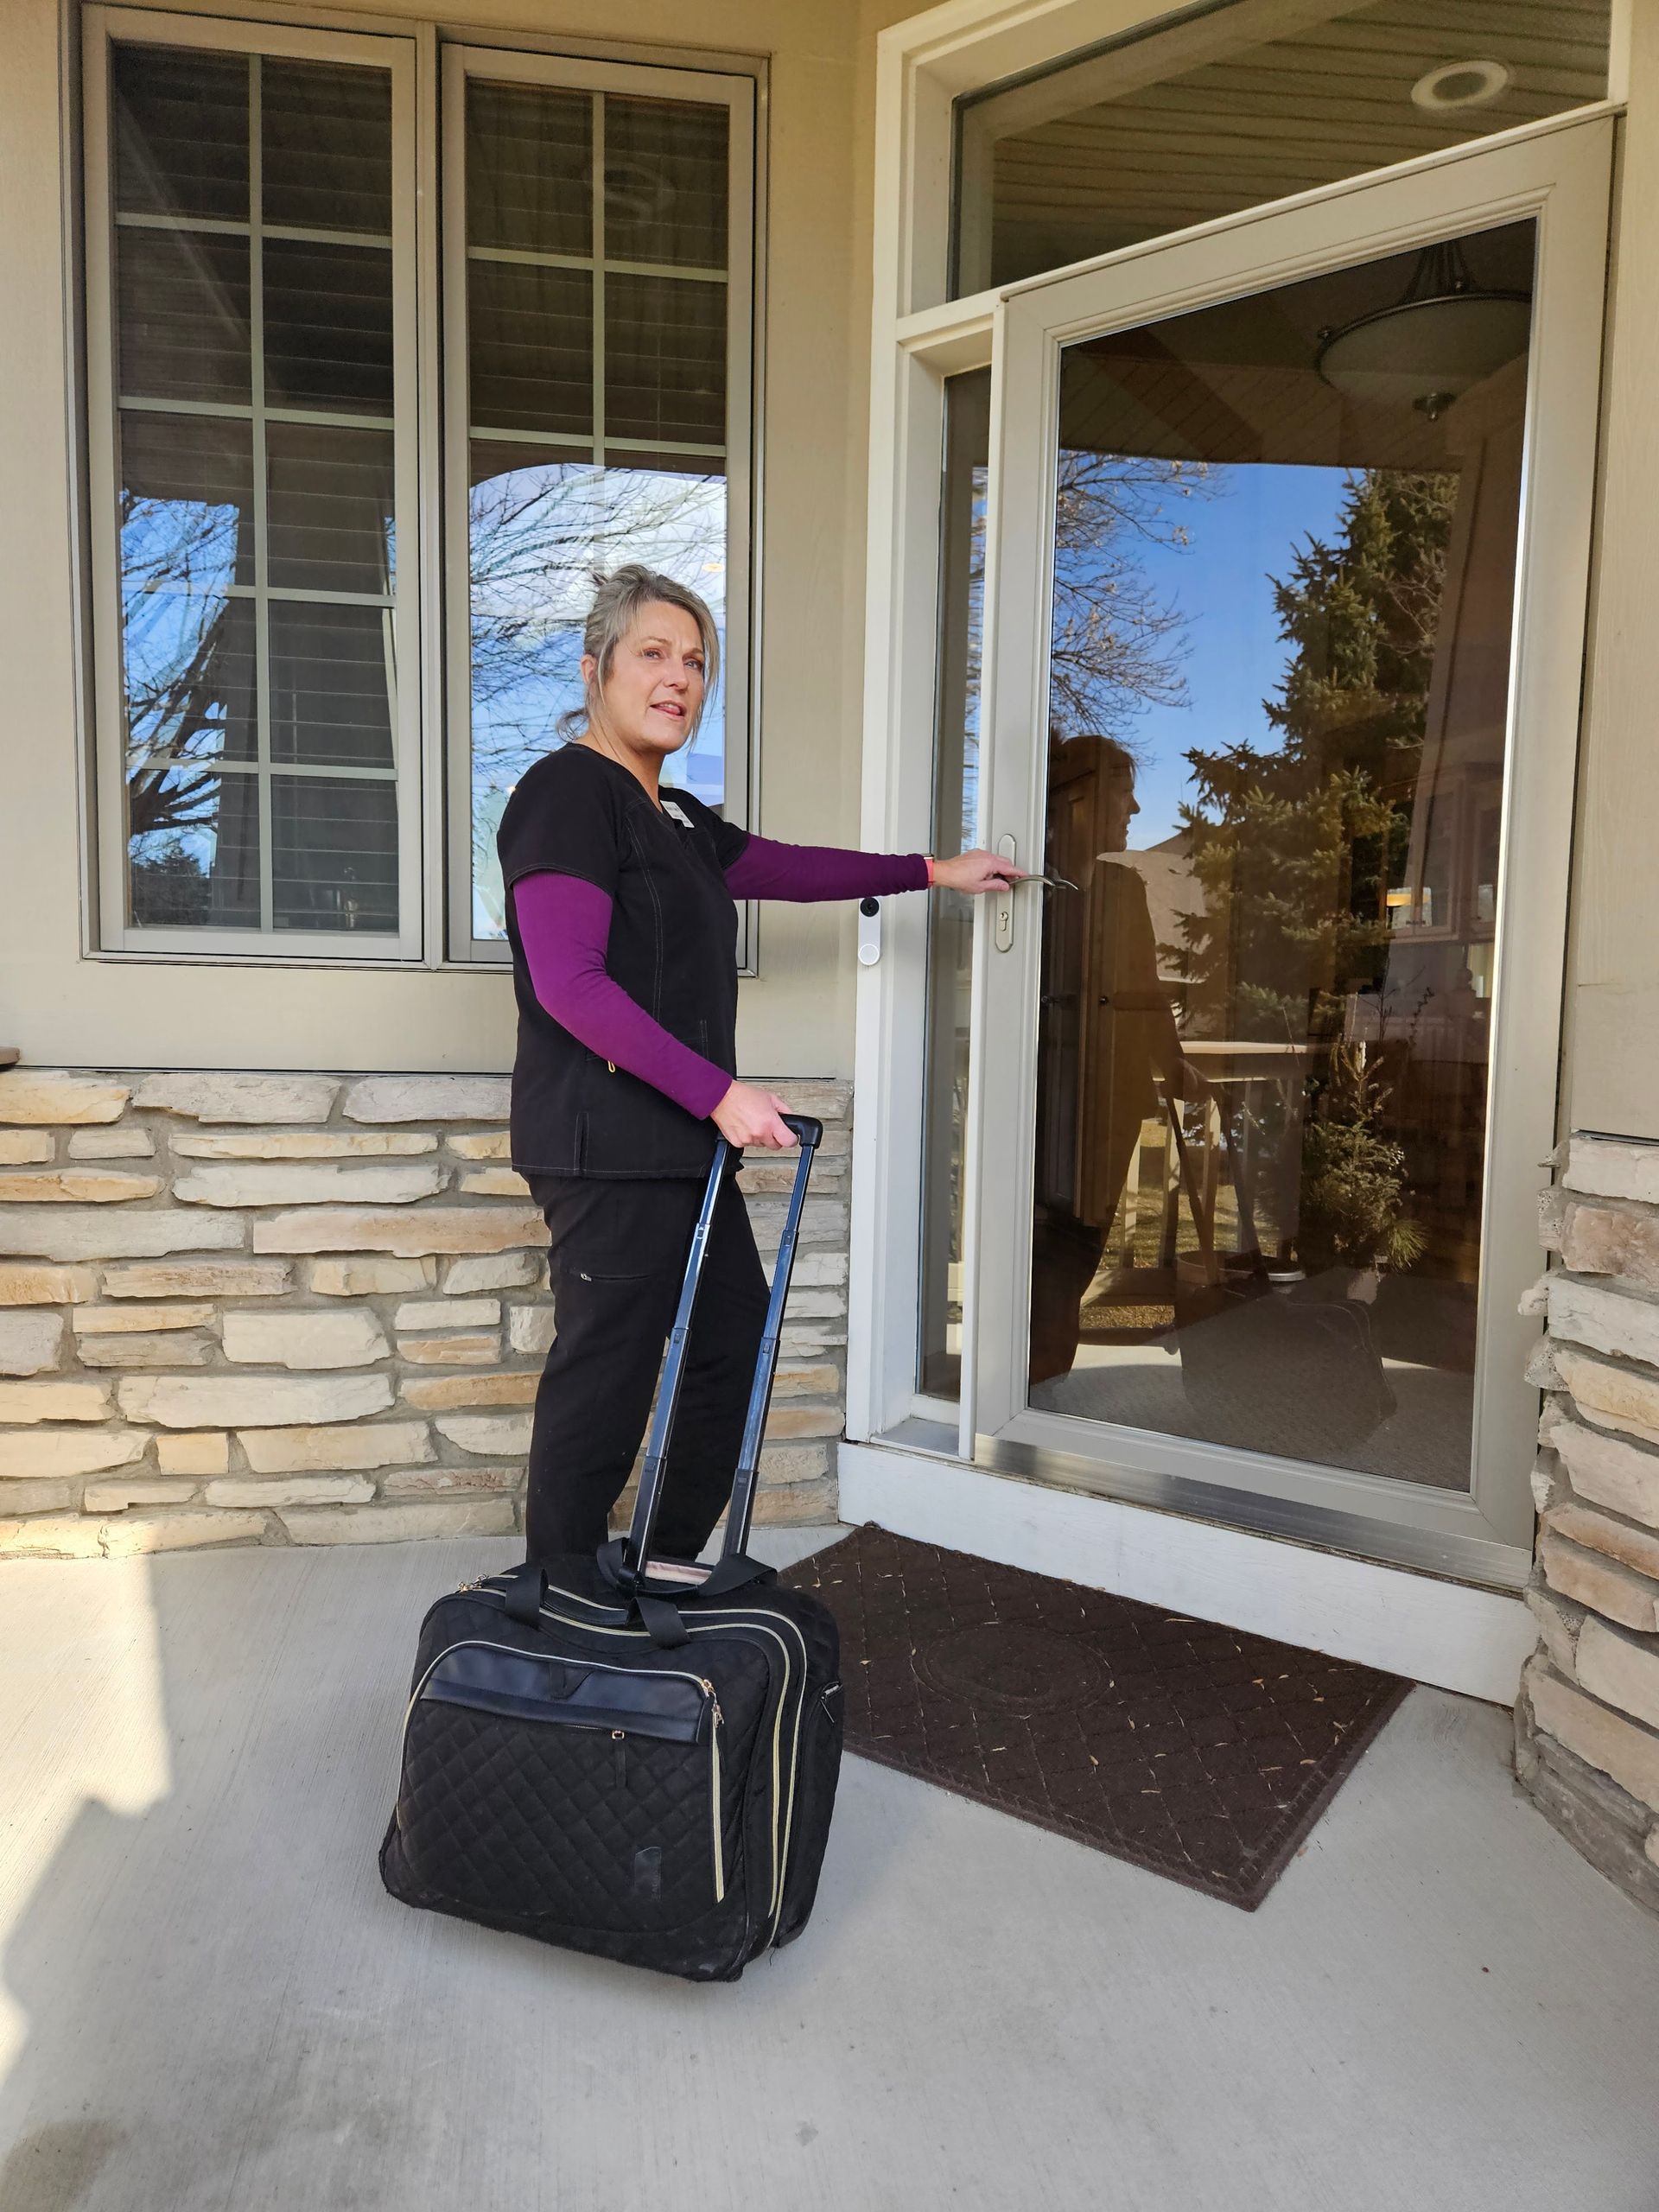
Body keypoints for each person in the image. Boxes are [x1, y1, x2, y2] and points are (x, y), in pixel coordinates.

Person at [498, 564, 1019, 1565]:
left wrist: (932, 872)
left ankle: (658, 1561)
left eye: (696, 662)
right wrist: (719, 1091)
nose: (679, 677)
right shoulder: (567, 792)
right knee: (605, 1377)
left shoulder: (678, 817)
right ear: (596, 667)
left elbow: (789, 866)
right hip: (604, 1144)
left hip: (678, 1147)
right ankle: (559, 1598)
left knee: (727, 1343)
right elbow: (569, 984)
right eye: (653, 653)